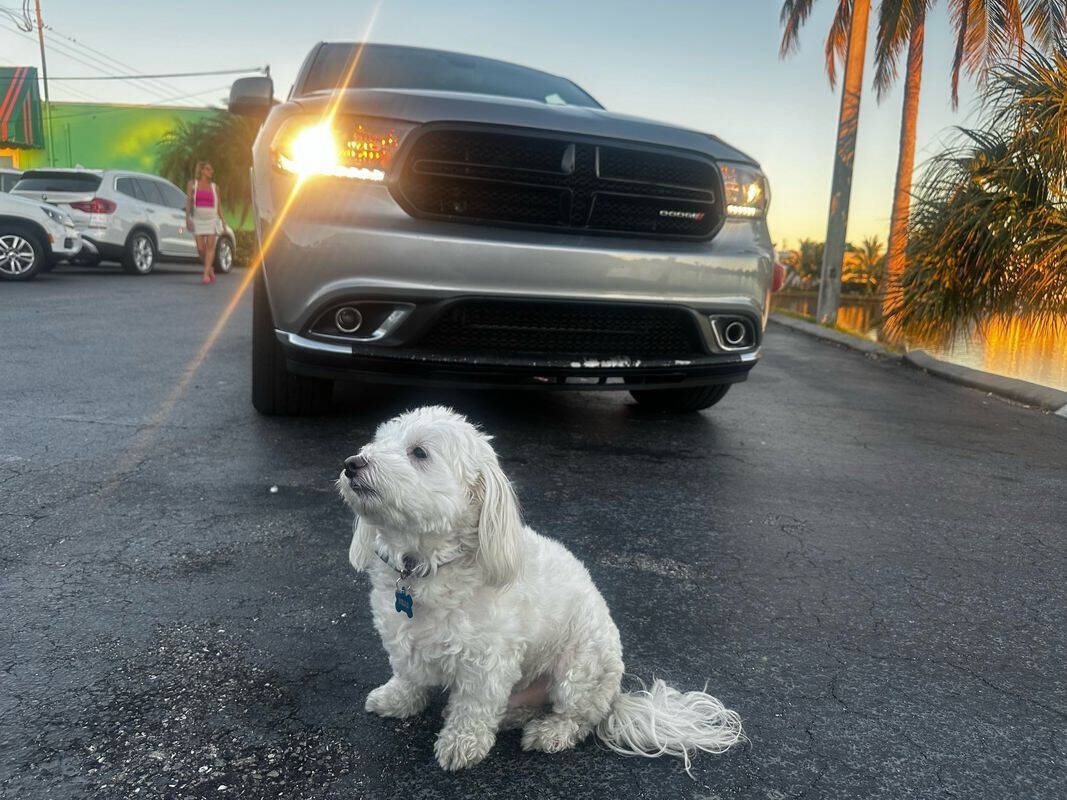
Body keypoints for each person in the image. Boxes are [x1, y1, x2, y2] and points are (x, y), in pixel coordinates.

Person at [185, 161, 226, 284]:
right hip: (198, 219)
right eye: (208, 169)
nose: (211, 172)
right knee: (200, 248)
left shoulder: (215, 187)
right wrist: (187, 218)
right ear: (202, 171)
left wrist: (223, 221)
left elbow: (219, 205)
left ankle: (205, 274)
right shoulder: (192, 184)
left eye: (211, 170)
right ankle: (210, 269)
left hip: (212, 219)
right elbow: (188, 202)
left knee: (210, 248)